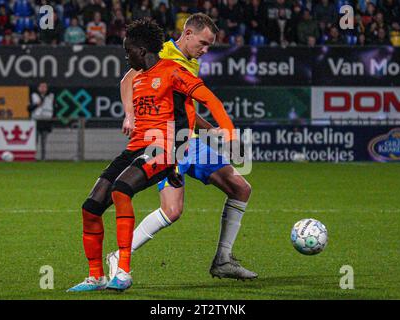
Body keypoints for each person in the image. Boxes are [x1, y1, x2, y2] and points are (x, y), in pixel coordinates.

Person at [67, 18, 237, 292]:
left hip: (164, 148)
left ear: (143, 49)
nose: (127, 56)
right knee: (91, 206)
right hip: (135, 148)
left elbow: (209, 100)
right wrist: (130, 115)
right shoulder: (139, 79)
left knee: (122, 190)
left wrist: (227, 130)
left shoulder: (172, 71)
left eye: (129, 51)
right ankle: (95, 276)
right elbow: (127, 83)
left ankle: (122, 271)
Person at [107, 13, 257, 281]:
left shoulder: (191, 62)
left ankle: (223, 260)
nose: (205, 50)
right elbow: (126, 81)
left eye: (210, 45)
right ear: (187, 34)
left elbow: (184, 107)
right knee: (172, 211)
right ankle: (120, 255)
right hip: (165, 141)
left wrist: (210, 129)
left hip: (190, 140)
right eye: (203, 43)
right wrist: (130, 114)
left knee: (240, 188)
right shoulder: (162, 53)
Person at [28, 82, 54, 161]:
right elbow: (29, 108)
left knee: (44, 140)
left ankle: (43, 157)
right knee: (35, 140)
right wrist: (37, 104)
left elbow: (54, 107)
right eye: (41, 87)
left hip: (46, 120)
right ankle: (33, 157)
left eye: (45, 87)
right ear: (38, 88)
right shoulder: (33, 96)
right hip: (36, 120)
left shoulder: (51, 96)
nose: (43, 88)